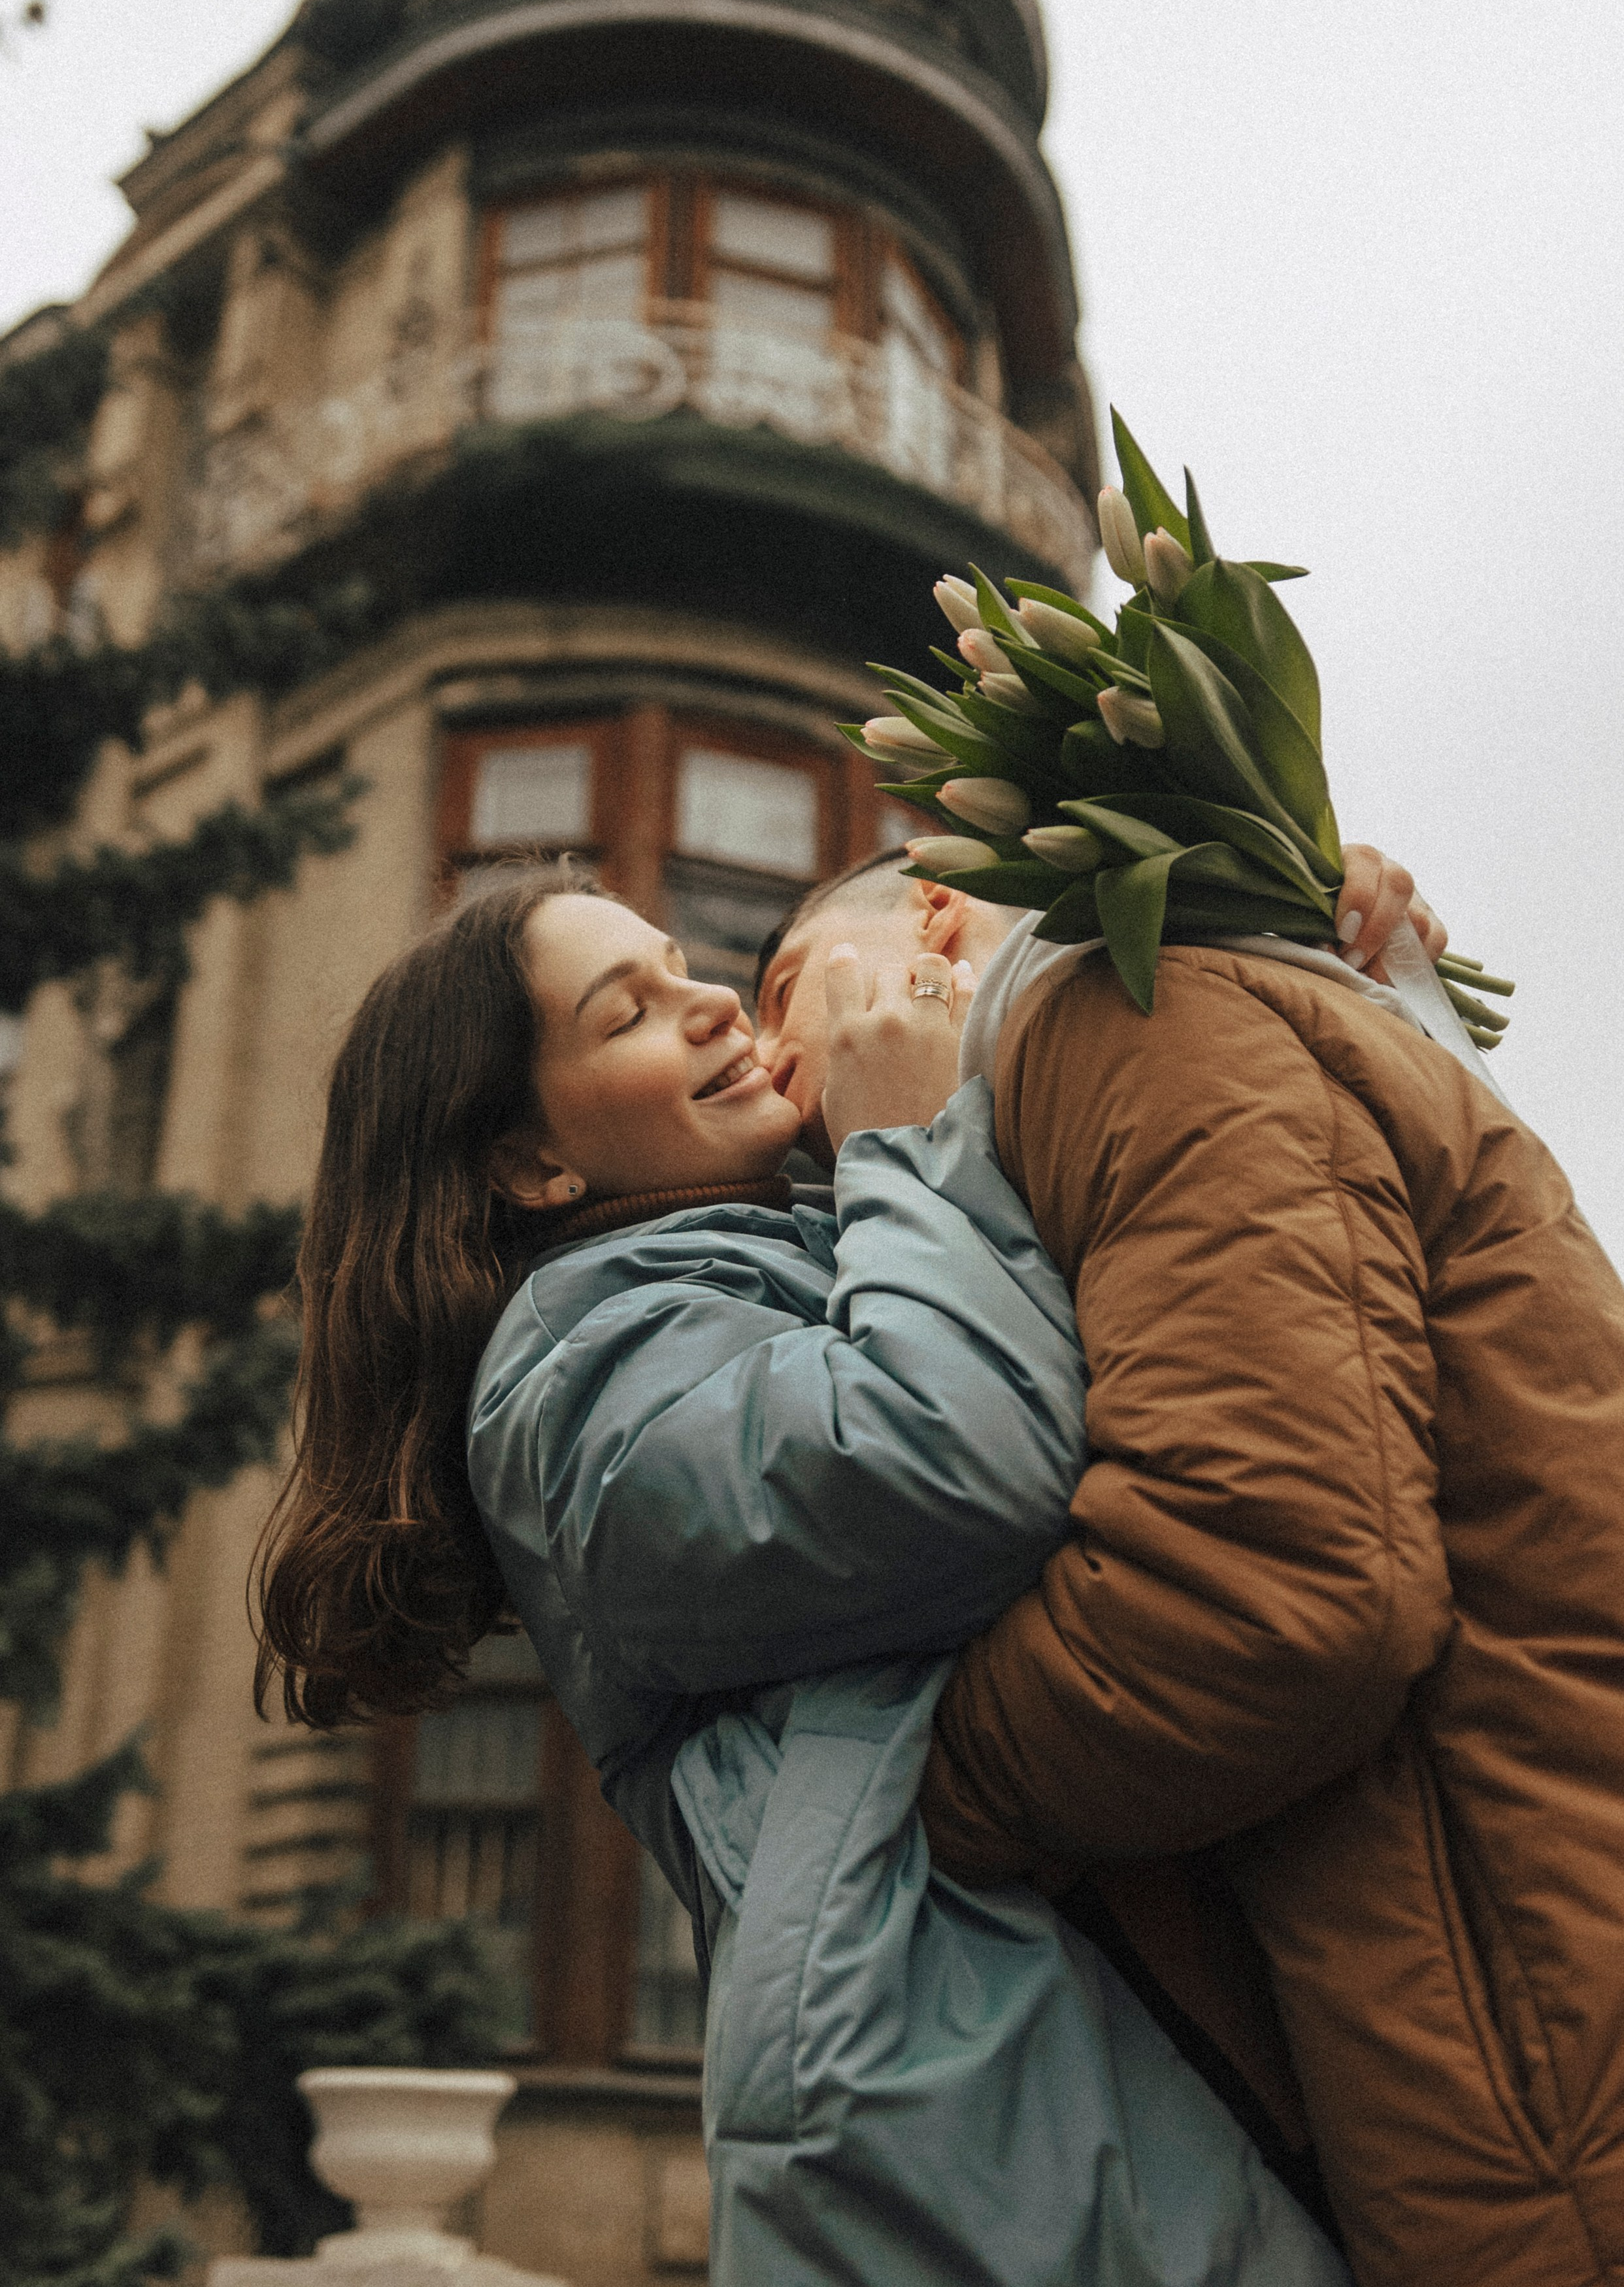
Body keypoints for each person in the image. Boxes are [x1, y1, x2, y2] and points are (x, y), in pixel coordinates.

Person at [256, 854, 1395, 2287]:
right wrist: (905, 1142)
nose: (718, 1005)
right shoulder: (574, 1384)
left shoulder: (837, 1248)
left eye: (686, 968)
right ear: (531, 1162)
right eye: (631, 1014)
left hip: (1114, 2055)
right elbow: (954, 1461)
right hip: (967, 2131)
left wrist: (1333, 964)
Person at [752, 842, 1624, 2287]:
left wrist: (906, 1791)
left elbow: (1271, 1604)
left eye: (782, 1002)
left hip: (1535, 2050)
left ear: (924, 916)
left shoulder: (1117, 1018)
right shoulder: (1173, 1025)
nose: (785, 1083)